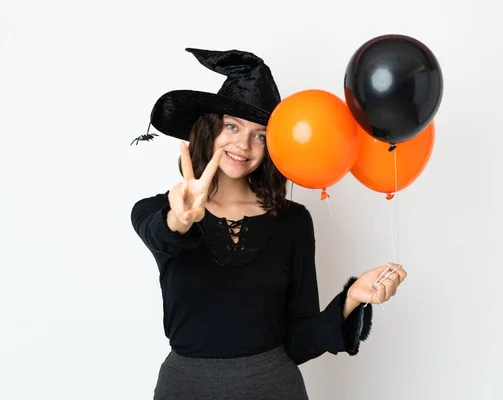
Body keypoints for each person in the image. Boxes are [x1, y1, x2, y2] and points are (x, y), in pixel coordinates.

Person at [130, 48, 407, 400]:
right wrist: (180, 218)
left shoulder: (292, 221)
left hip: (275, 389)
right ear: (210, 129)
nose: (243, 145)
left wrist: (352, 298)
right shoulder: (157, 210)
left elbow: (299, 340)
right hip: (185, 389)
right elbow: (161, 236)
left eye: (260, 135)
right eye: (232, 126)